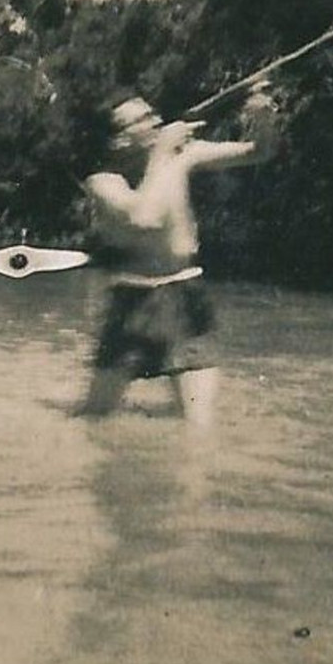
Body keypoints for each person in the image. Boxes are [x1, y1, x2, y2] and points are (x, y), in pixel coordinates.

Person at [74, 86, 280, 425]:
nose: (155, 121)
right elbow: (145, 218)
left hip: (185, 294)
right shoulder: (102, 182)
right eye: (141, 120)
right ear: (119, 141)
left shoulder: (185, 155)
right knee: (94, 419)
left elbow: (260, 152)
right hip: (132, 302)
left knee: (199, 426)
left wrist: (263, 118)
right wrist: (163, 154)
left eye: (151, 113)